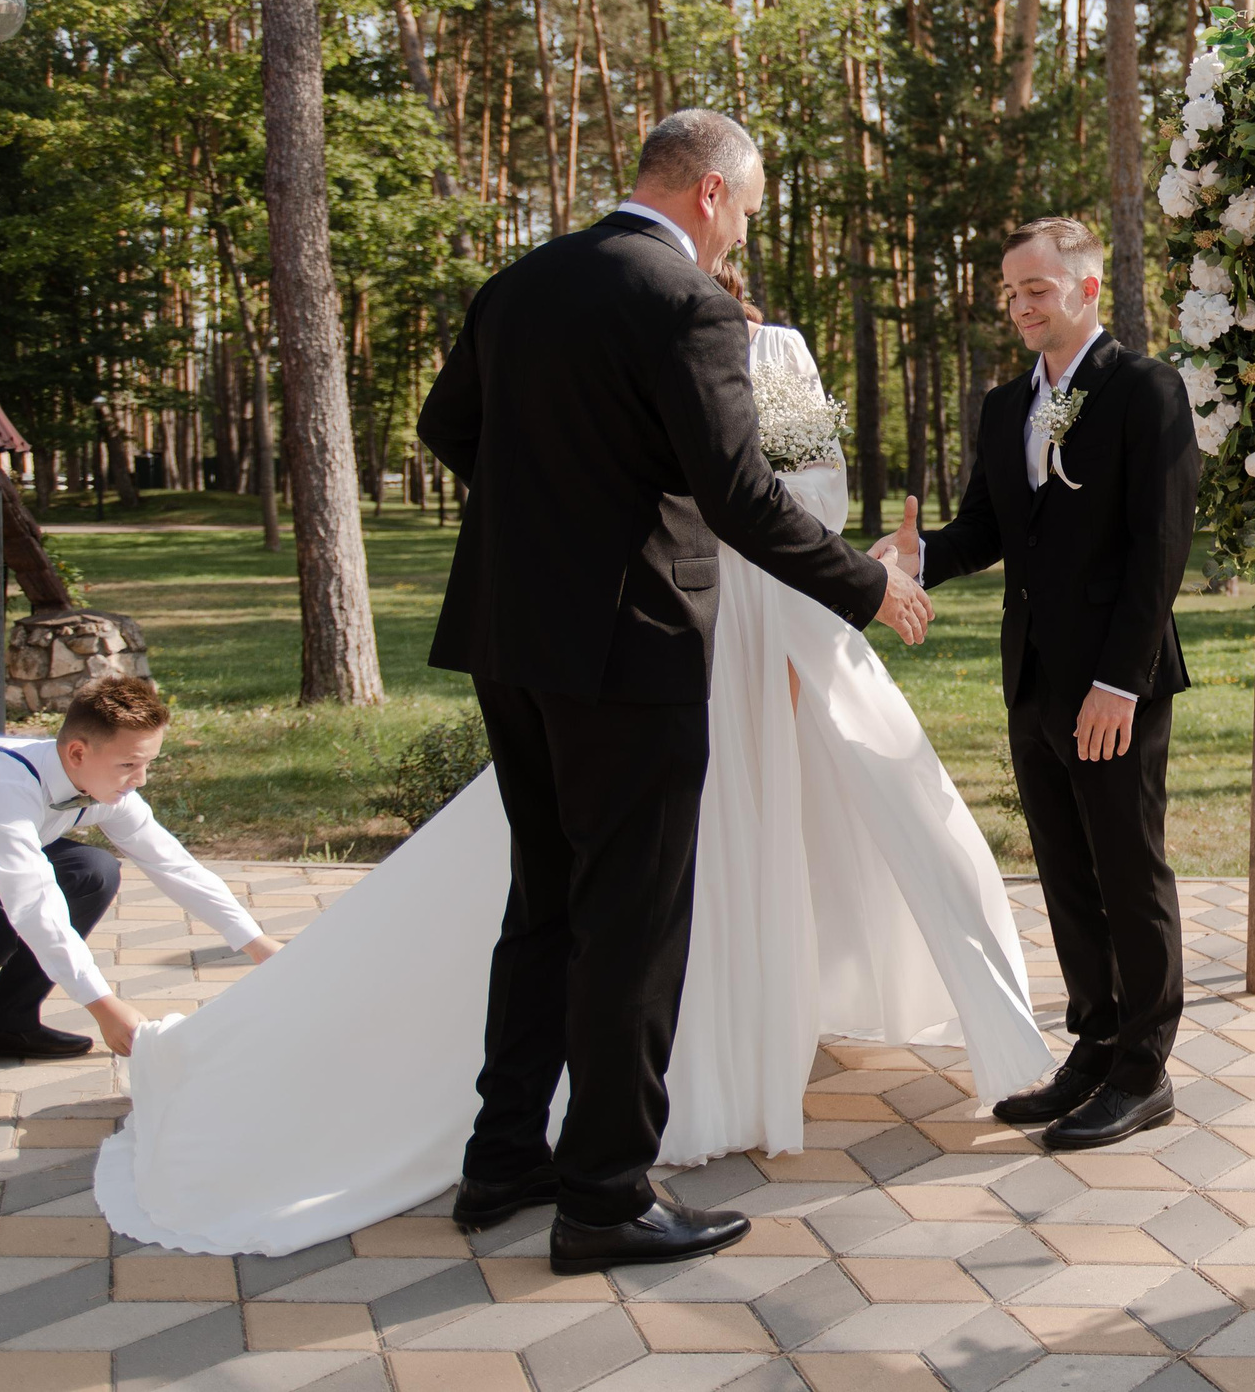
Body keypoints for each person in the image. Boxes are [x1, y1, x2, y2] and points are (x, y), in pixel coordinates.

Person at [91, 112, 1049, 1267]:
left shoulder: (523, 281)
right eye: (743, 207)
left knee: (542, 905)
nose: (740, 230)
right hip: (630, 646)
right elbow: (739, 495)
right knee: (631, 924)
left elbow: (449, 424)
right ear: (706, 192)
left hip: (512, 636)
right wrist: (869, 590)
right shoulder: (685, 301)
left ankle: (502, 1160)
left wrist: (551, 506)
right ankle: (603, 1194)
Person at [883, 216, 1199, 1152]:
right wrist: (919, 556)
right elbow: (988, 530)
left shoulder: (1147, 390)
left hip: (1114, 685)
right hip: (1030, 680)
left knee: (1128, 870)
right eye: (1010, 291)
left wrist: (1120, 681)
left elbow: (1160, 551)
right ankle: (1094, 1048)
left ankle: (1145, 1070)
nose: (1021, 305)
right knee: (1066, 871)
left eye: (1038, 288)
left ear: (1088, 288)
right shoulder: (1000, 406)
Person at [0, 676, 280, 1101]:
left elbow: (172, 863)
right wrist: (102, 1006)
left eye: (148, 763)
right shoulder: (2, 789)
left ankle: (5, 1025)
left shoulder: (103, 786)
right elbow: (33, 905)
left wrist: (256, 943)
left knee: (91, 871)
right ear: (78, 752)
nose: (140, 779)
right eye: (128, 765)